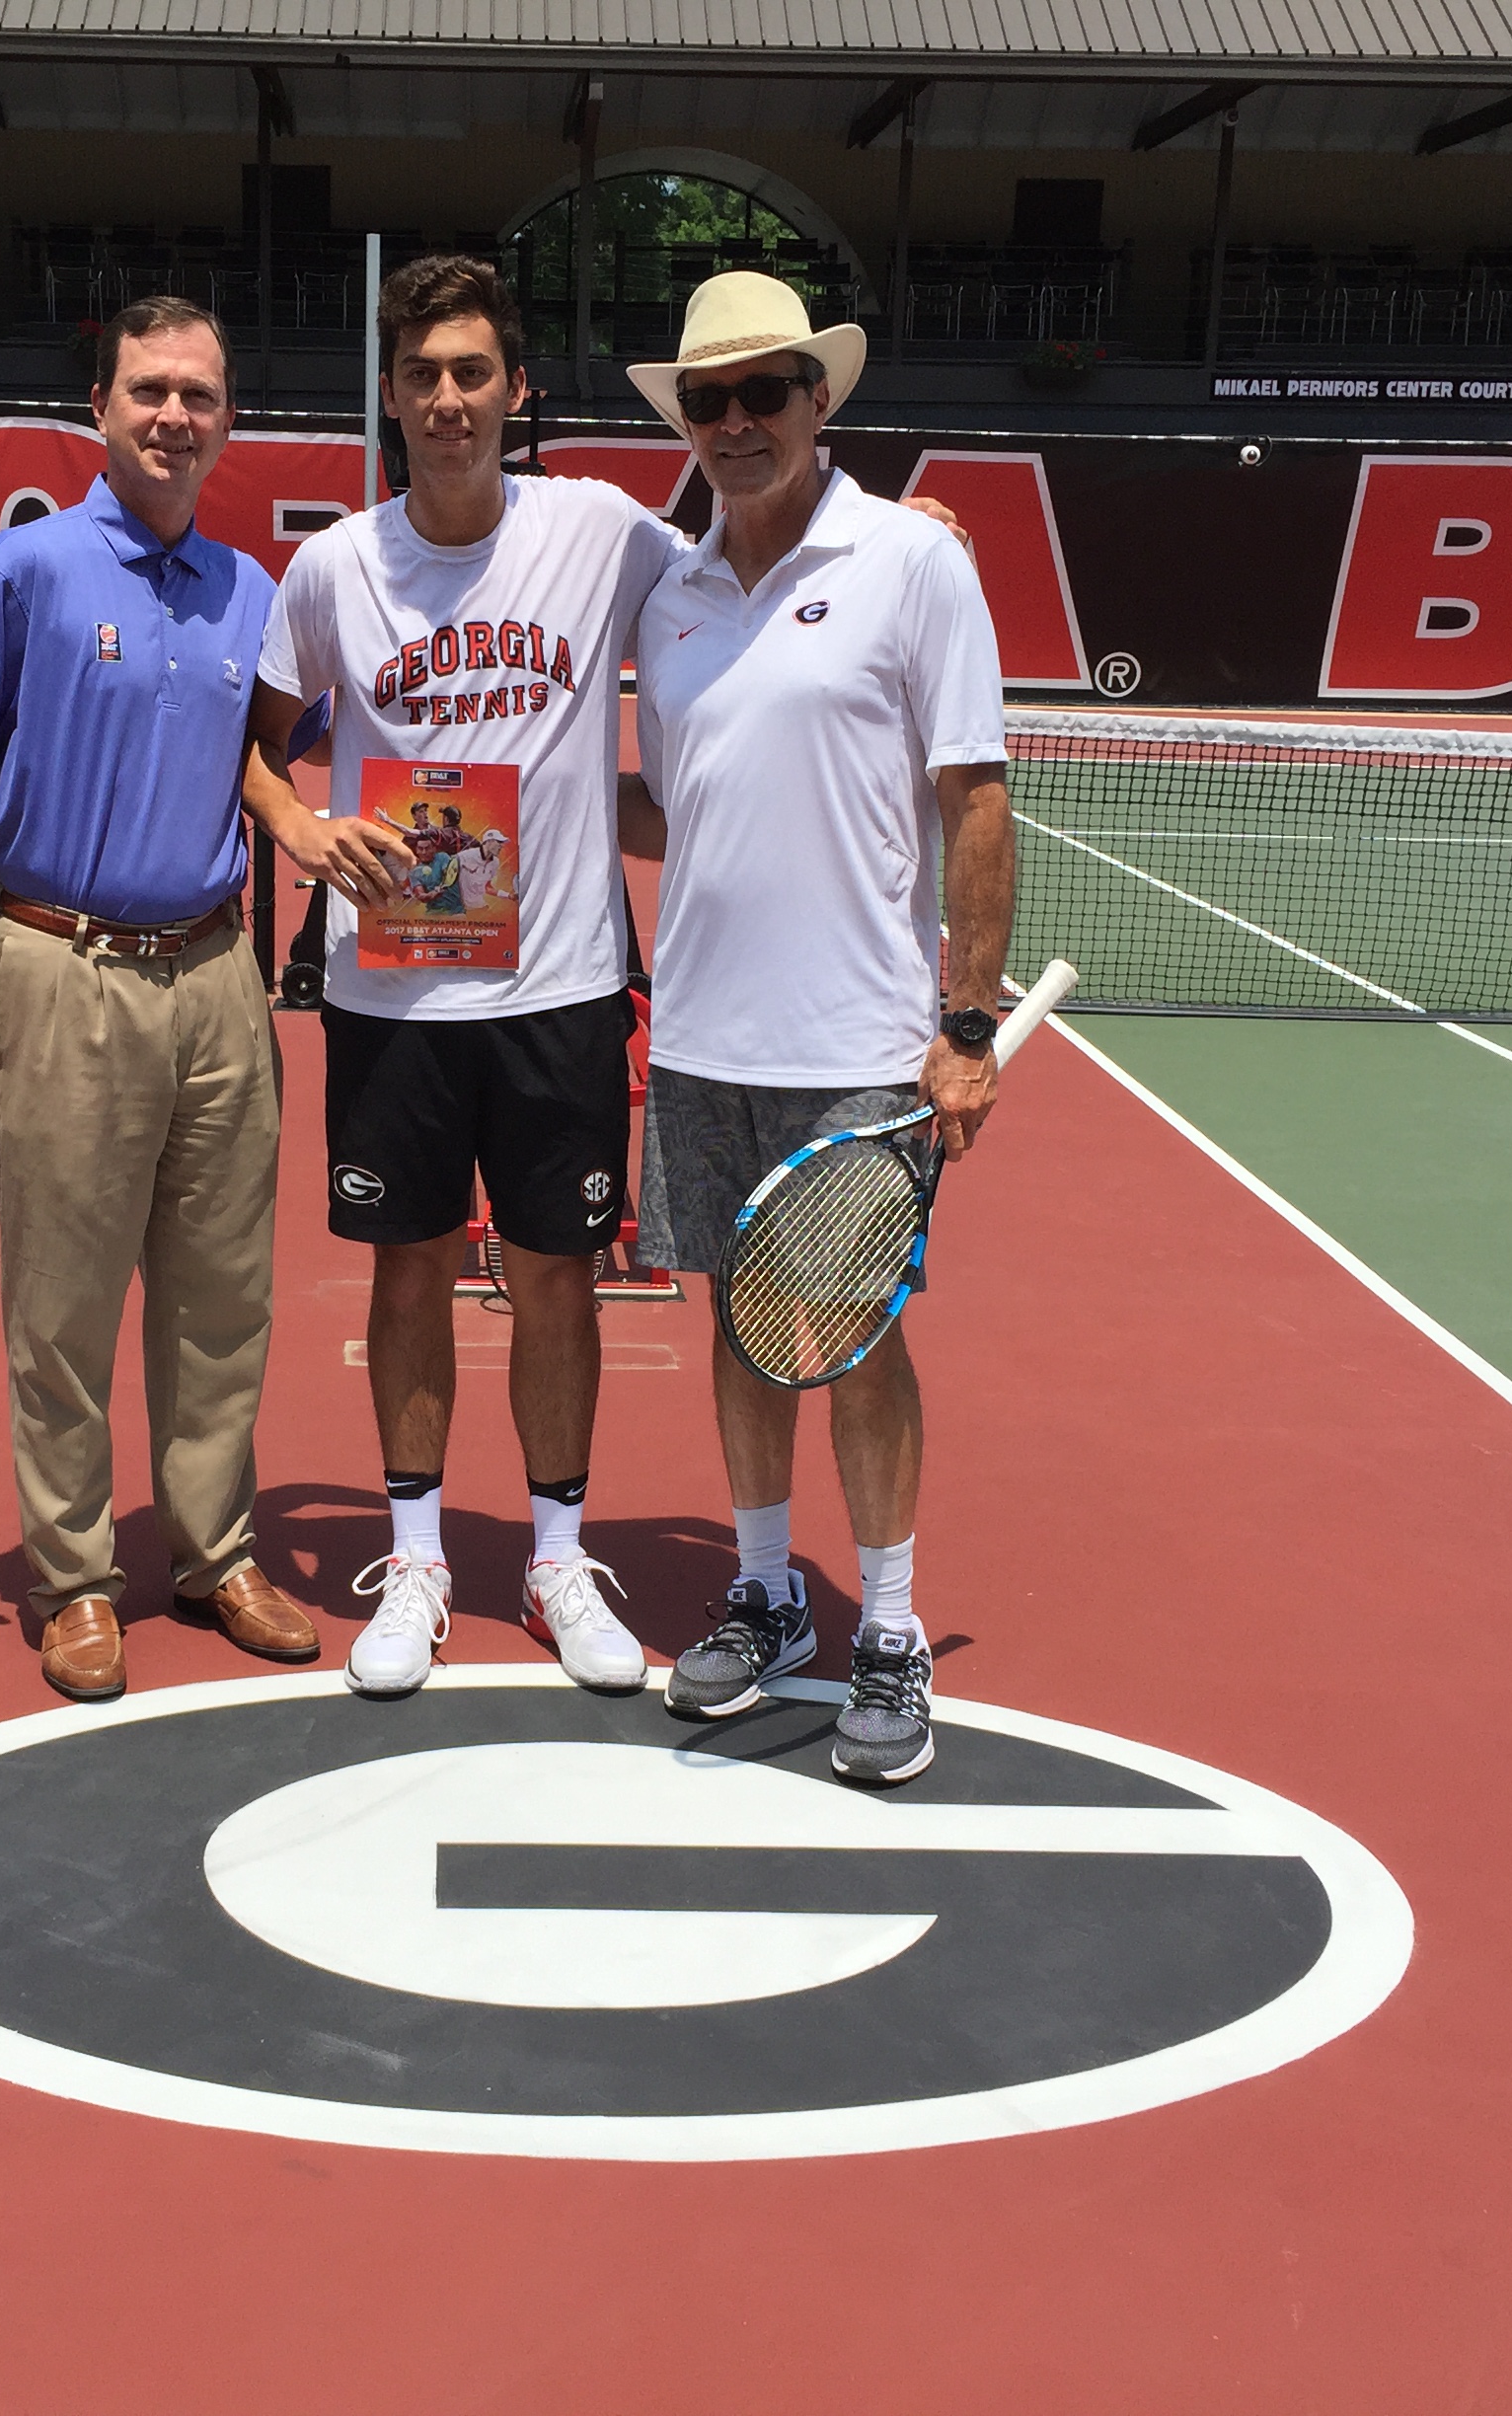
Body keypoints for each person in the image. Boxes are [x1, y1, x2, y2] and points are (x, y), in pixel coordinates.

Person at [0, 294, 399, 1703]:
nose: (175, 416)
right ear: (101, 408)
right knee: (60, 1305)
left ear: (229, 418)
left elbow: (258, 757)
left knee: (223, 1297)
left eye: (200, 395)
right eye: (149, 390)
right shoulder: (27, 572)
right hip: (62, 975)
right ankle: (69, 1581)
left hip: (219, 975)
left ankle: (215, 1551)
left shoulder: (253, 590)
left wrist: (296, 826)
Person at [241, 254, 678, 1702]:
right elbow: (247, 735)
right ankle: (419, 1553)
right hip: (391, 997)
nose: (447, 399)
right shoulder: (333, 568)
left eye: (472, 373)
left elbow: (741, 583)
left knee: (559, 1278)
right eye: (422, 375)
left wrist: (886, 544)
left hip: (559, 990)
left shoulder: (602, 534)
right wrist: (303, 823)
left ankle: (557, 1555)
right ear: (389, 394)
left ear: (515, 390)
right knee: (410, 1268)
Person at [618, 271, 1015, 1787]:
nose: (735, 423)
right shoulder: (673, 591)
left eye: (762, 392)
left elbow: (975, 795)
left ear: (817, 400)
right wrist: (524, 802)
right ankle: (771, 1595)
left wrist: (962, 1022)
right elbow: (678, 799)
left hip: (857, 1046)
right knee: (738, 1318)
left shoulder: (914, 559)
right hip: (704, 1034)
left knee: (855, 1342)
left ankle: (893, 1628)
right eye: (707, 401)